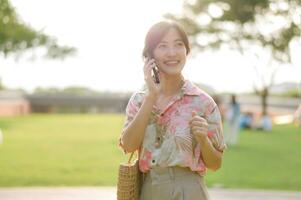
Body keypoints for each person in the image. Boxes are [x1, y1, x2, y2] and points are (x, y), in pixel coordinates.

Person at [119, 21, 226, 200]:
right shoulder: (139, 100)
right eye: (163, 46)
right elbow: (128, 145)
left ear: (186, 51)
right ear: (149, 55)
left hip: (189, 190)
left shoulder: (203, 102)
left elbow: (216, 164)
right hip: (149, 189)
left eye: (178, 45)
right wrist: (151, 97)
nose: (172, 53)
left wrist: (203, 139)